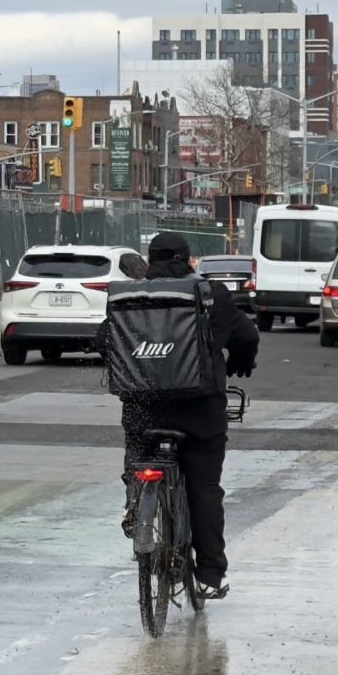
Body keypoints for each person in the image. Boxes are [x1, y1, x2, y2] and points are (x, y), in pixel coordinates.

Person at [114, 232, 259, 599]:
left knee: (138, 453)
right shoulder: (211, 295)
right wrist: (240, 362)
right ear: (188, 259)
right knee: (204, 489)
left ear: (149, 261)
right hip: (200, 411)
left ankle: (137, 498)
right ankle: (210, 572)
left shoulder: (129, 297)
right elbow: (246, 336)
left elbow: (105, 339)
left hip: (144, 406)